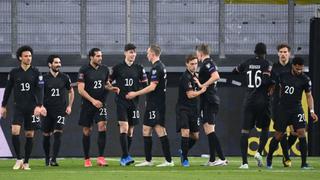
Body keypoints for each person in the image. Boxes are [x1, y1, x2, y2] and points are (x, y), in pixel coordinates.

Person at [126, 44, 174, 167]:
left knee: (159, 129)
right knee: (146, 130)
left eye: (148, 53)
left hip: (156, 104)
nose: (147, 55)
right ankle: (148, 160)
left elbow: (152, 87)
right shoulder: (159, 66)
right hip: (152, 103)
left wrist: (135, 93)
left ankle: (169, 161)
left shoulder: (156, 68)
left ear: (152, 54)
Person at [266, 57, 318, 169]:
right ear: (293, 66)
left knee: (301, 133)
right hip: (283, 109)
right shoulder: (283, 76)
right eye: (297, 68)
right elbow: (274, 86)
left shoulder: (305, 79)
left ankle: (304, 163)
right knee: (278, 135)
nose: (299, 70)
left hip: (296, 109)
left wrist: (312, 111)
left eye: (301, 69)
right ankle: (269, 157)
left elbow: (309, 96)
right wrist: (271, 90)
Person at [0, 45, 44, 170]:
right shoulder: (14, 72)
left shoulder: (36, 72)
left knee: (29, 134)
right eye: (26, 56)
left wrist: (39, 106)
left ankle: (26, 162)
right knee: (14, 131)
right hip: (18, 107)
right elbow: (8, 90)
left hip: (31, 108)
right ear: (20, 57)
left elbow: (40, 90)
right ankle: (18, 159)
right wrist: (3, 106)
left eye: (30, 56)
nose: (28, 58)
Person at [232, 42, 273, 169]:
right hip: (263, 101)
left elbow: (235, 71)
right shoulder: (268, 64)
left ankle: (244, 163)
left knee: (245, 131)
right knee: (265, 128)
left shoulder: (247, 62)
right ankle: (259, 152)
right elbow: (267, 80)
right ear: (265, 53)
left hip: (249, 100)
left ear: (255, 52)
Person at [77, 48, 119, 167]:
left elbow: (106, 84)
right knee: (87, 131)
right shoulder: (84, 70)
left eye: (101, 56)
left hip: (100, 104)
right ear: (91, 57)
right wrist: (92, 100)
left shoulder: (105, 69)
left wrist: (112, 88)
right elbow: (80, 90)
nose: (100, 58)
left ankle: (101, 157)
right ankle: (87, 159)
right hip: (87, 105)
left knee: (102, 126)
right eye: (97, 56)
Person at [109, 43, 148, 166]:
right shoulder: (117, 67)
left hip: (134, 103)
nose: (133, 54)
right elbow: (108, 83)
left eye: (134, 52)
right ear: (125, 53)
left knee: (131, 131)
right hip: (121, 101)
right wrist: (112, 88)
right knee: (124, 127)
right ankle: (126, 156)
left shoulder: (139, 68)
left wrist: (137, 94)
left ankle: (124, 157)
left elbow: (145, 85)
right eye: (131, 52)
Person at [195, 43, 227, 166]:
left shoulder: (207, 63)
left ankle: (222, 158)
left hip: (209, 100)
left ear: (200, 53)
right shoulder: (208, 63)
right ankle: (213, 159)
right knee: (209, 130)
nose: (197, 55)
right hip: (207, 100)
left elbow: (216, 76)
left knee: (209, 130)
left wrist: (203, 85)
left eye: (197, 53)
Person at [42, 55, 74, 166]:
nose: (58, 64)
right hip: (47, 110)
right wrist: (40, 106)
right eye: (56, 62)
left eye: (59, 62)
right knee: (46, 135)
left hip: (60, 110)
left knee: (58, 133)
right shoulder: (44, 78)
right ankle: (47, 158)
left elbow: (71, 91)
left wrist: (69, 106)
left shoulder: (65, 77)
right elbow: (38, 93)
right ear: (50, 64)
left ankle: (54, 159)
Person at [176, 54, 206, 167]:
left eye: (196, 64)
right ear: (187, 64)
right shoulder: (185, 77)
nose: (194, 66)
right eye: (192, 64)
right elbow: (190, 94)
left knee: (195, 136)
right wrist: (202, 91)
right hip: (183, 109)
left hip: (194, 109)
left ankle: (183, 151)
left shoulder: (196, 76)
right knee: (185, 132)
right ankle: (185, 159)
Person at [271, 43, 297, 167]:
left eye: (285, 52)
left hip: (292, 106)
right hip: (277, 105)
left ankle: (286, 150)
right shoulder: (273, 68)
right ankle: (286, 158)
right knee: (281, 133)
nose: (283, 54)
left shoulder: (293, 68)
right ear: (278, 54)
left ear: (289, 54)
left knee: (295, 132)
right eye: (281, 52)